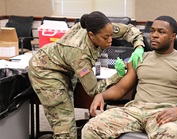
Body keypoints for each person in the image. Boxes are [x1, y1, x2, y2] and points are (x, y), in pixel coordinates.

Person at [28, 11, 145, 139]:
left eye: (111, 35)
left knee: (69, 108)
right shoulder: (79, 54)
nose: (110, 40)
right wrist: (118, 75)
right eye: (106, 38)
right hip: (45, 70)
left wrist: (139, 45)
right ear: (91, 35)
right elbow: (94, 91)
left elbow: (129, 30)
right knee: (65, 125)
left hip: (64, 66)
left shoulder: (99, 27)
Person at [82, 15, 177, 139]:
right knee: (91, 128)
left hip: (164, 112)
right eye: (152, 31)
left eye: (161, 32)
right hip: (135, 111)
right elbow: (121, 89)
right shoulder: (140, 58)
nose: (154, 35)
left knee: (171, 133)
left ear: (173, 37)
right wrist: (101, 95)